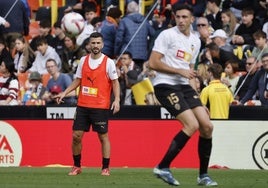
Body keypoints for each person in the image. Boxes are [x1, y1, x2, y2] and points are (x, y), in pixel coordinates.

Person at [148, 4, 217, 186]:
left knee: (207, 126)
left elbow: (190, 73)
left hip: (184, 86)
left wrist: (199, 101)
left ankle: (203, 176)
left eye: (185, 17)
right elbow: (153, 63)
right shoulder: (167, 35)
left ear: (192, 19)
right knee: (192, 124)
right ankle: (163, 167)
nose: (181, 20)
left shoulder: (196, 40)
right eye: (178, 17)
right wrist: (179, 71)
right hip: (165, 85)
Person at [55, 32, 120, 176]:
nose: (95, 45)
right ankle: (77, 166)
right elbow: (77, 80)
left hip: (100, 106)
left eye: (98, 43)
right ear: (89, 44)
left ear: (102, 44)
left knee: (103, 137)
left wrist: (117, 100)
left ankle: (105, 168)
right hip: (83, 105)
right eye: (93, 43)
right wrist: (65, 93)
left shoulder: (108, 62)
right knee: (76, 136)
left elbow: (115, 83)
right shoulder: (83, 61)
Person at [114, 0, 155, 68]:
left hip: (127, 55)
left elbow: (119, 39)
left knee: (127, 75)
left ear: (127, 9)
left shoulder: (124, 21)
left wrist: (116, 52)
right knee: (138, 76)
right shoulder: (145, 20)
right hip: (142, 54)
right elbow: (153, 34)